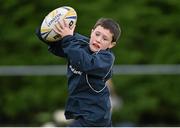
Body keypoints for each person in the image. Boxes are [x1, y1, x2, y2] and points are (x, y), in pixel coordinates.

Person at [36, 17, 121, 127]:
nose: (98, 39)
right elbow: (59, 44)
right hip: (81, 112)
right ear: (92, 32)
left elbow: (82, 61)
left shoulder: (106, 59)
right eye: (97, 34)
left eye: (105, 39)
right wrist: (45, 29)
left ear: (111, 45)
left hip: (95, 117)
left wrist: (68, 38)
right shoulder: (79, 43)